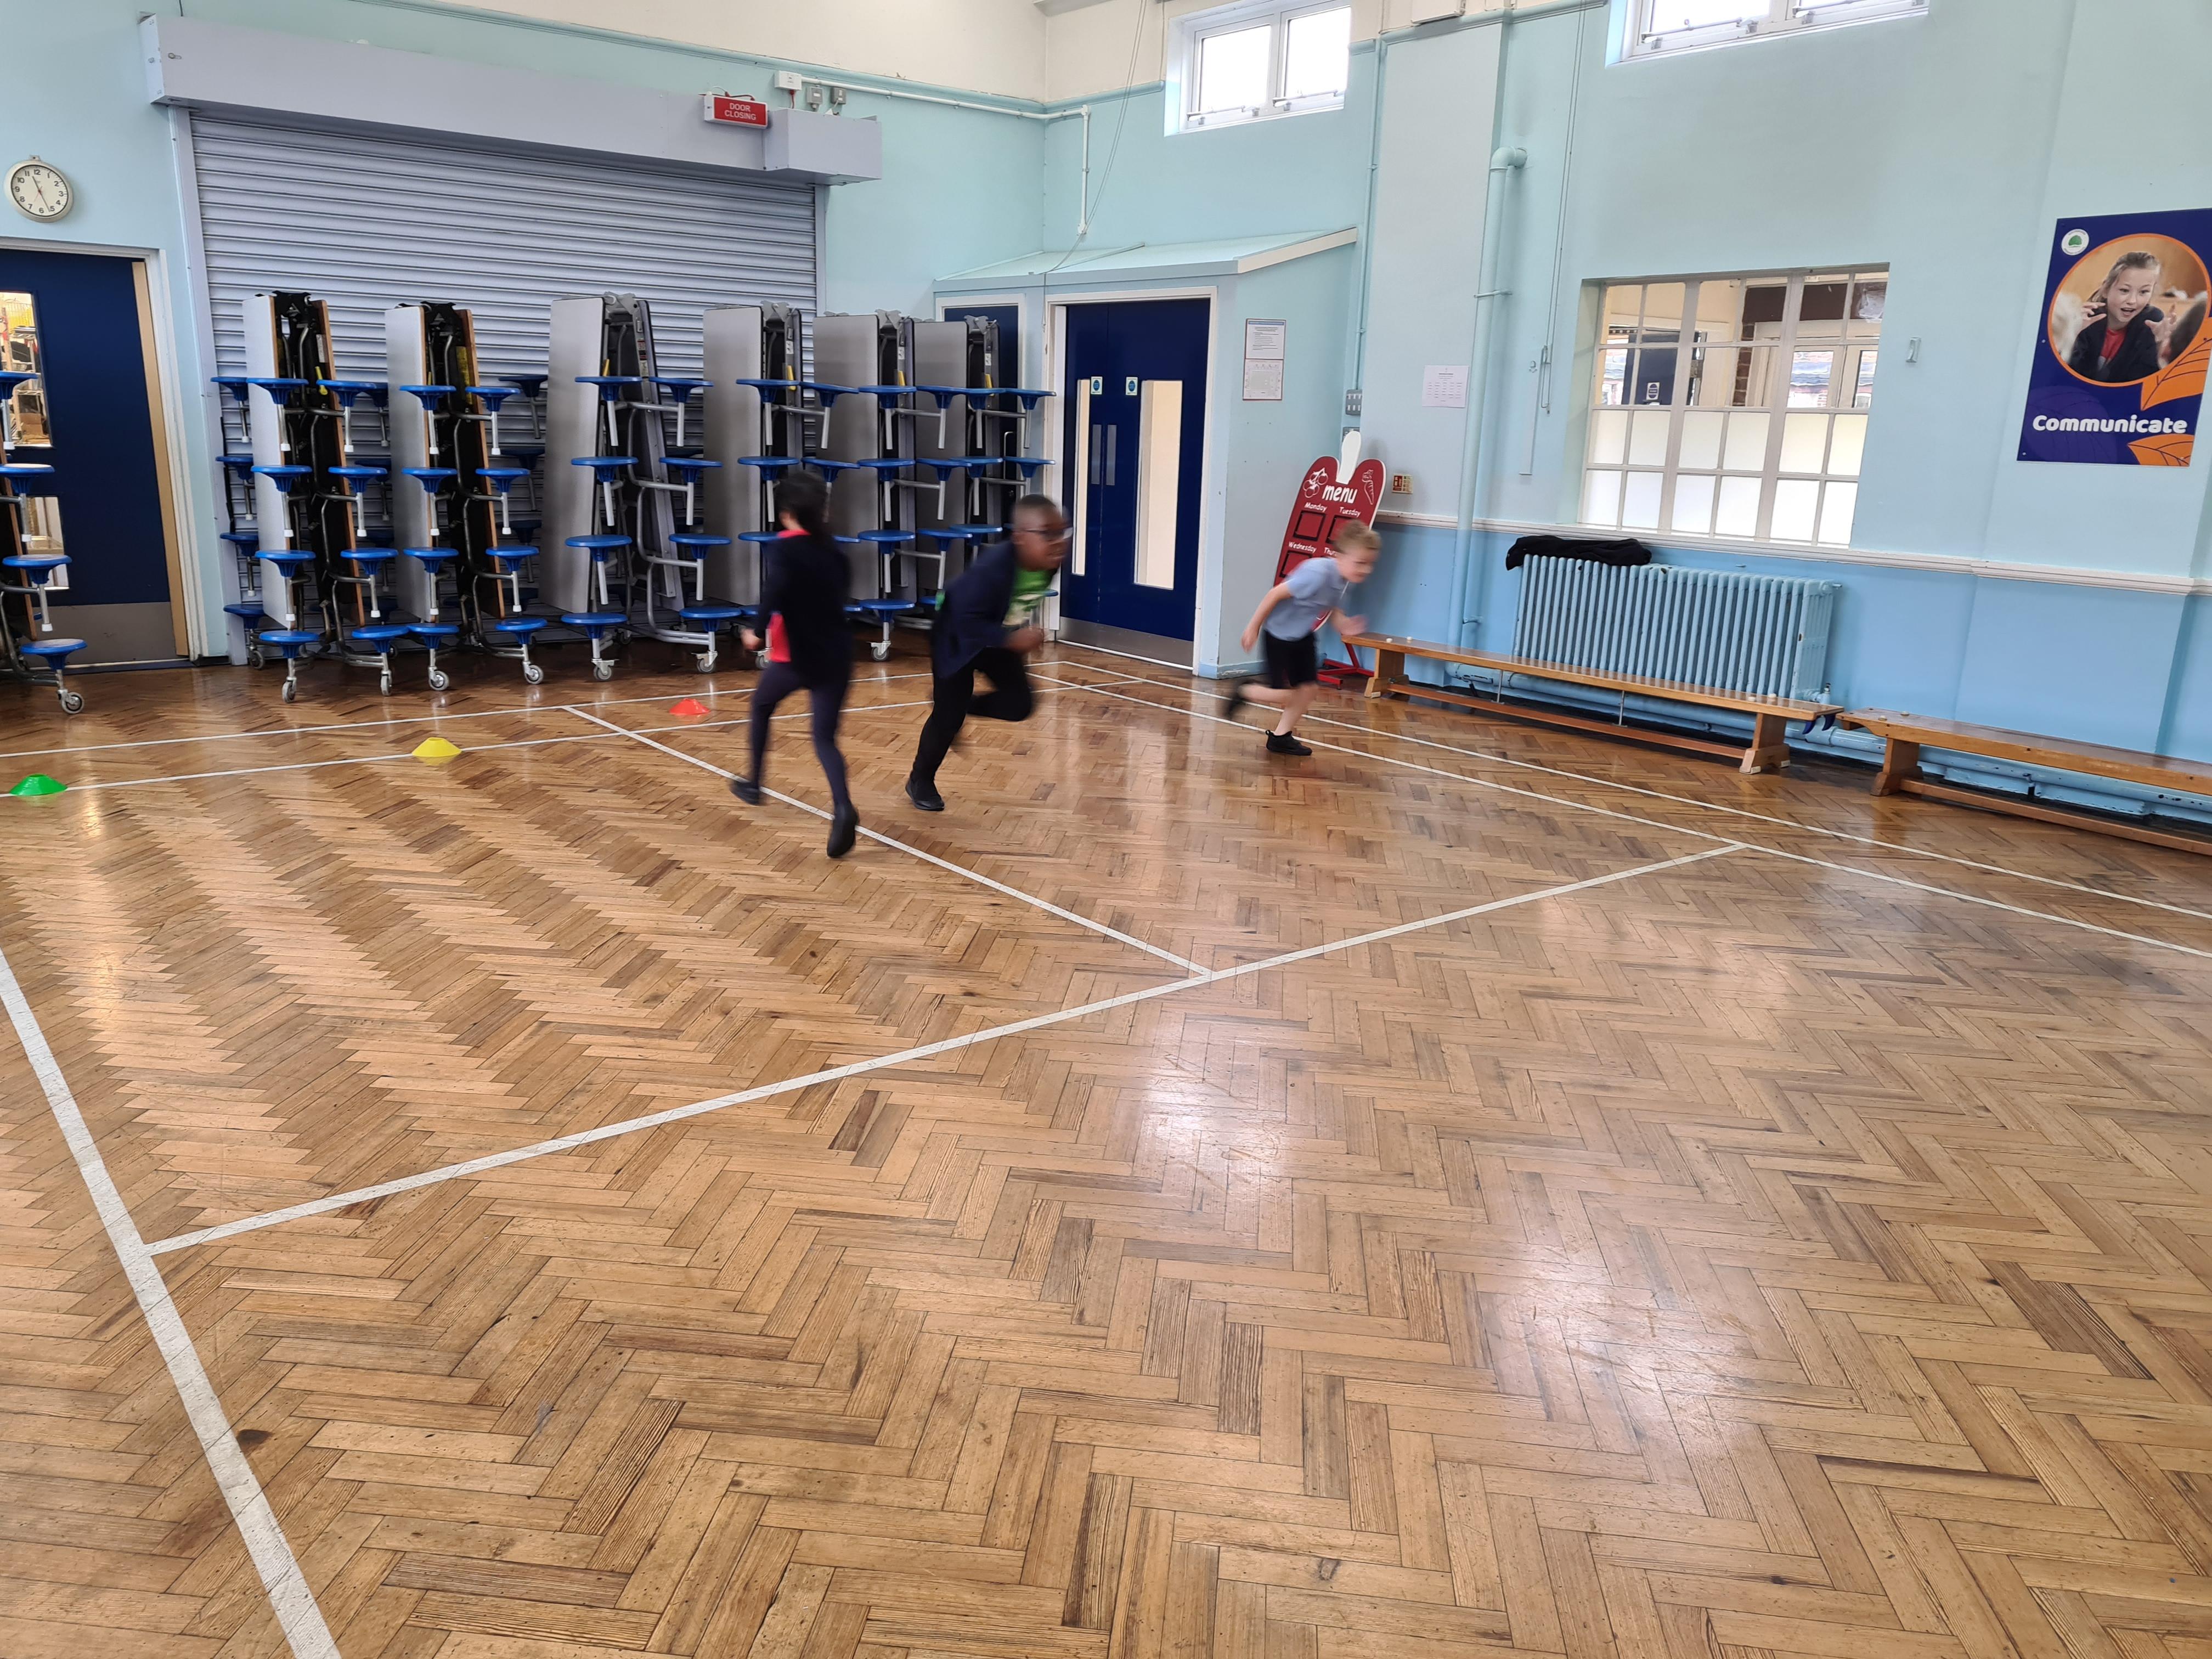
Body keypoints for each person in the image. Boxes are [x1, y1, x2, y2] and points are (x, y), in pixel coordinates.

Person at [905, 493, 1068, 812]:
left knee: (1020, 705)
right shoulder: (990, 571)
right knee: (947, 719)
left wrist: (1010, 637)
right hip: (956, 638)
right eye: (1047, 534)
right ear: (1020, 537)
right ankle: (920, 780)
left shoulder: (1049, 562)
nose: (1058, 542)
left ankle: (963, 706)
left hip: (996, 635)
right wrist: (1011, 639)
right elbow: (962, 619)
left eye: (1061, 532)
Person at [729, 469, 860, 859]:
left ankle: (754, 784)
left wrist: (756, 632)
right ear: (822, 511)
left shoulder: (785, 548)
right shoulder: (835, 552)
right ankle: (843, 807)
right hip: (838, 656)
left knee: (761, 706)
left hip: (797, 658)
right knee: (824, 739)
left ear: (786, 513)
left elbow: (776, 589)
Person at [1226, 521, 1379, 755]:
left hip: (1302, 636)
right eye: (1360, 563)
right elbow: (1275, 594)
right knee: (1284, 695)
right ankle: (1244, 690)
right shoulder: (1317, 574)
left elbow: (1333, 608)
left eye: (1370, 564)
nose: (1366, 570)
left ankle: (1280, 738)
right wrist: (1253, 628)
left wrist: (1345, 624)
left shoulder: (1343, 580)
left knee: (1308, 691)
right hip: (1278, 636)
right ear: (1339, 556)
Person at [2067, 250, 2175, 383]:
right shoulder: (2086, 320)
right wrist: (2070, 336)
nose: (2132, 301)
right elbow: (2063, 376)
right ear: (2106, 289)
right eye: (2124, 290)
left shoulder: (2152, 323)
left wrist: (2160, 346)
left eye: (2144, 292)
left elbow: (2144, 383)